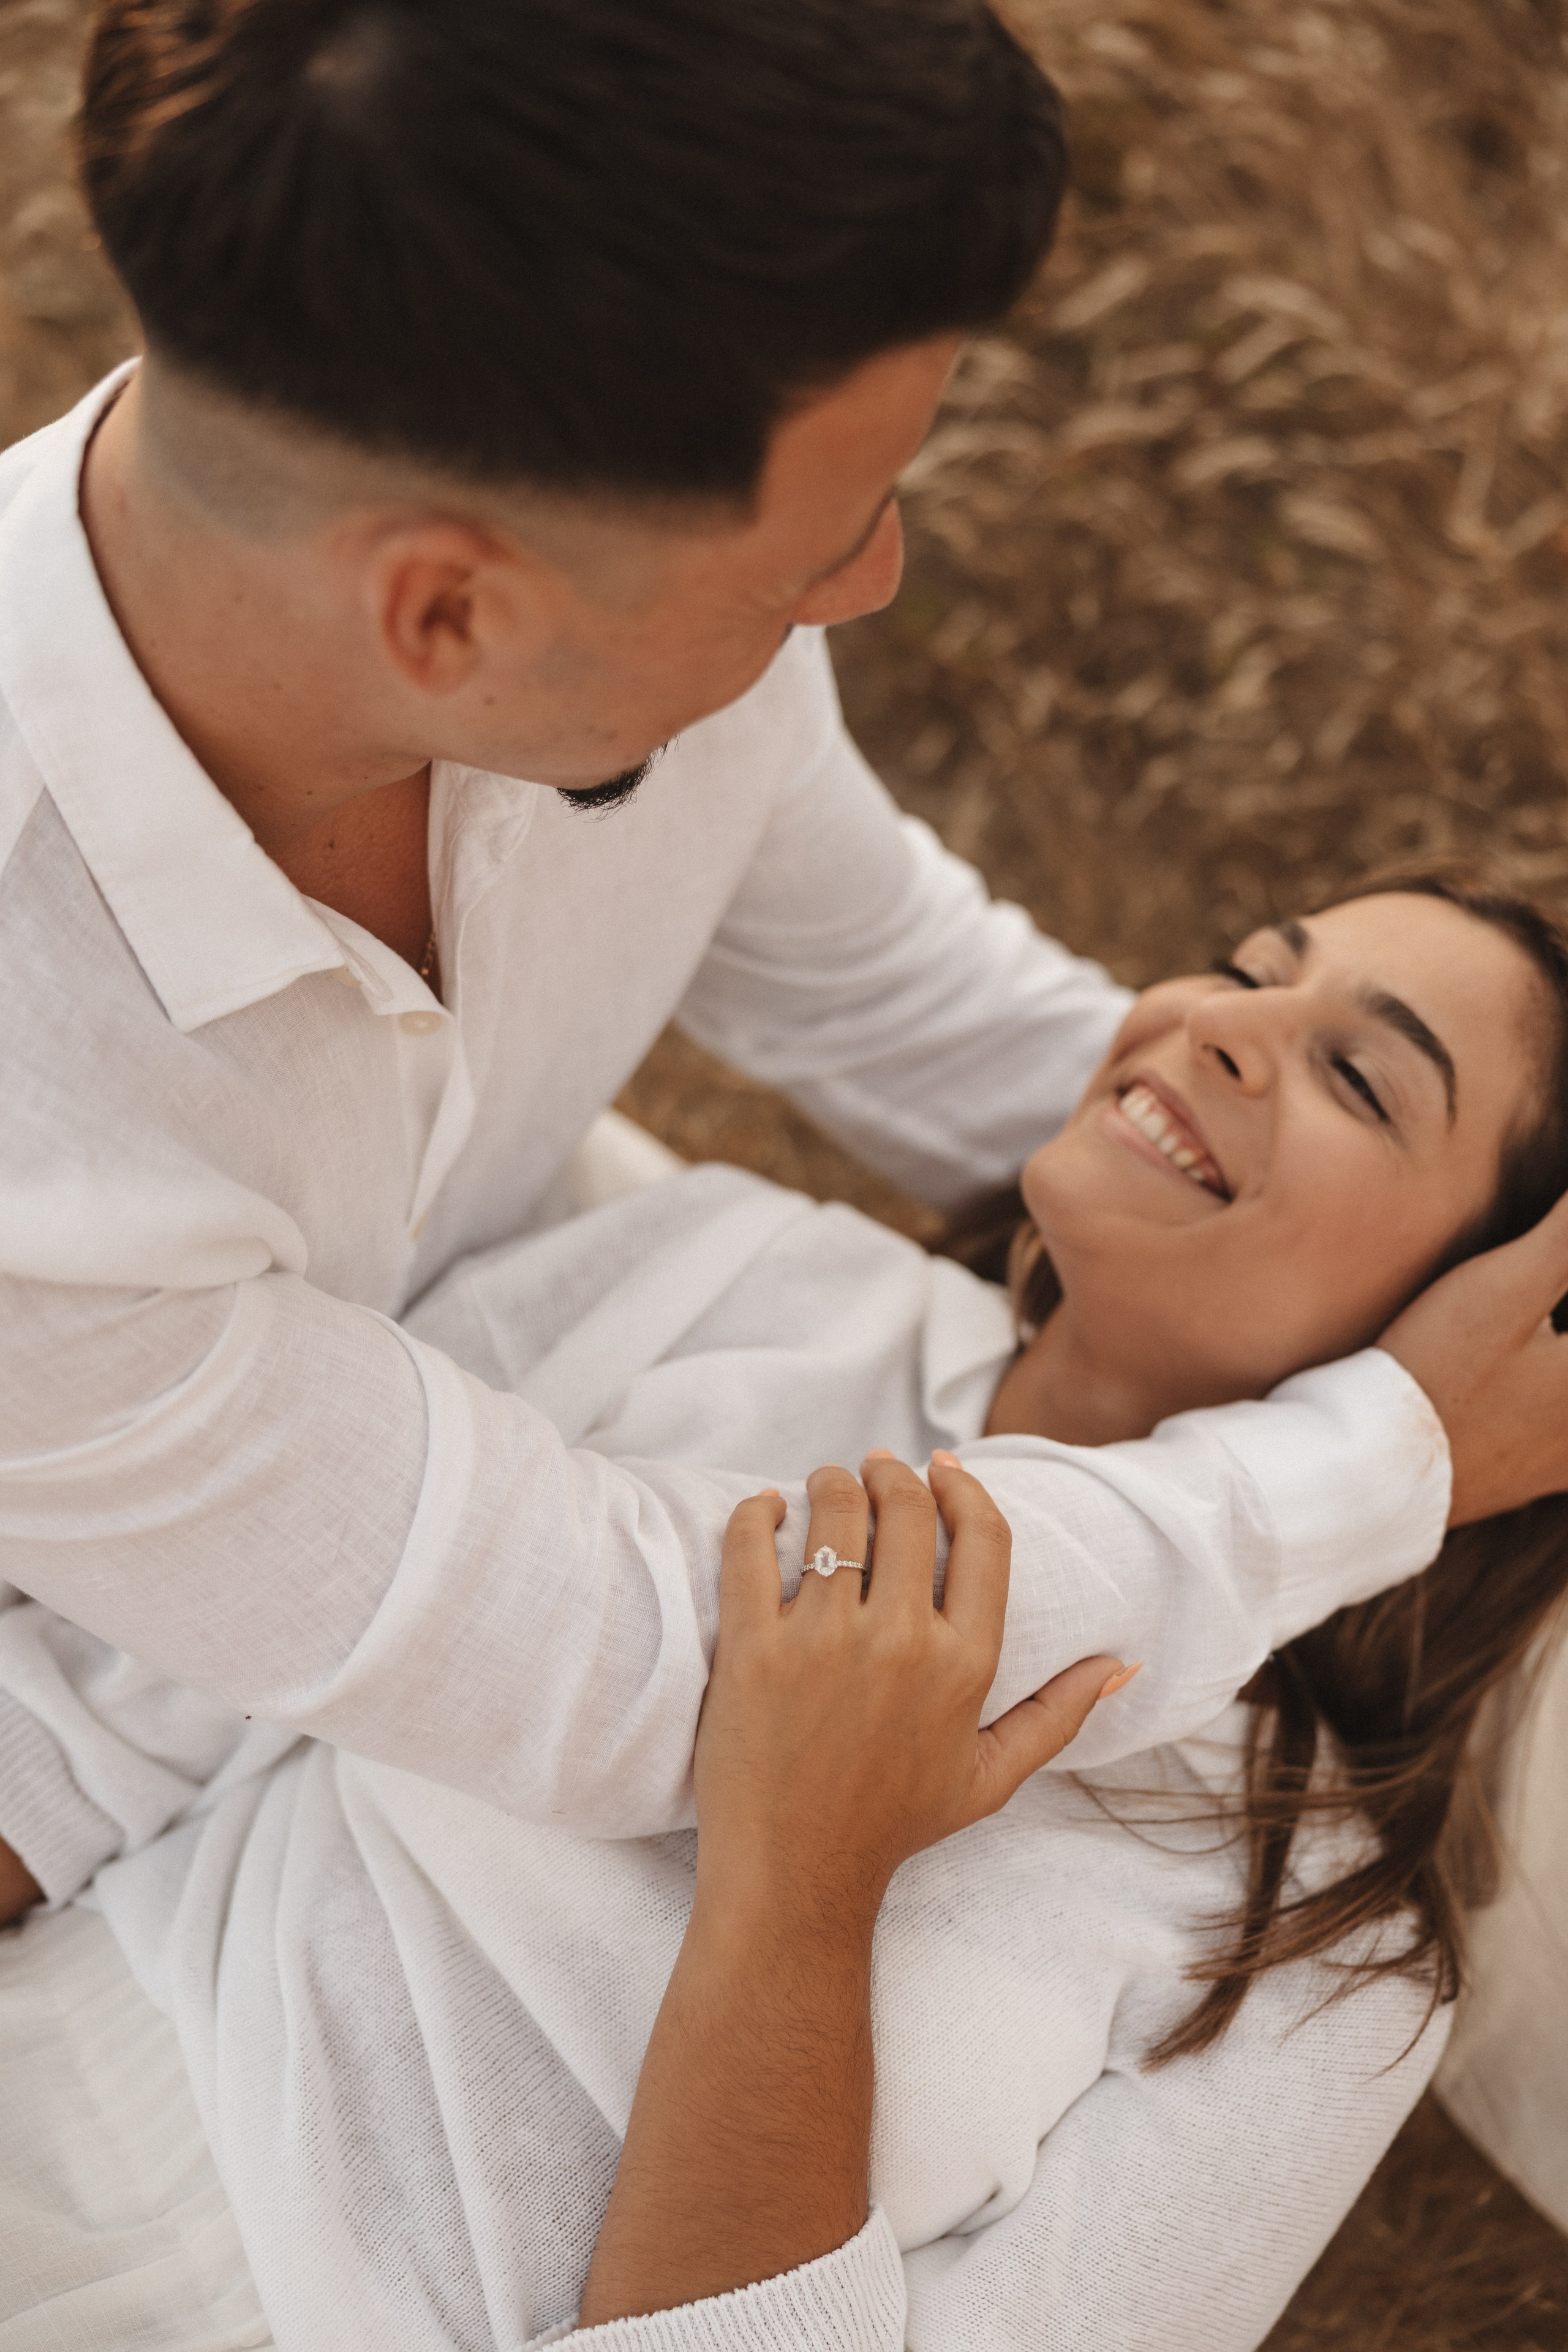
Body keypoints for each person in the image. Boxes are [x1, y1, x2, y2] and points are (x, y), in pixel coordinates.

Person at [43, 876, 1568, 2351]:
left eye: (1358, 1080)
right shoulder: (754, 1271)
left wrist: (801, 1900)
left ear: (1504, 1324)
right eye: (1246, 968)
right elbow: (117, 1714)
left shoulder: (1320, 1952)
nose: (1219, 1027)